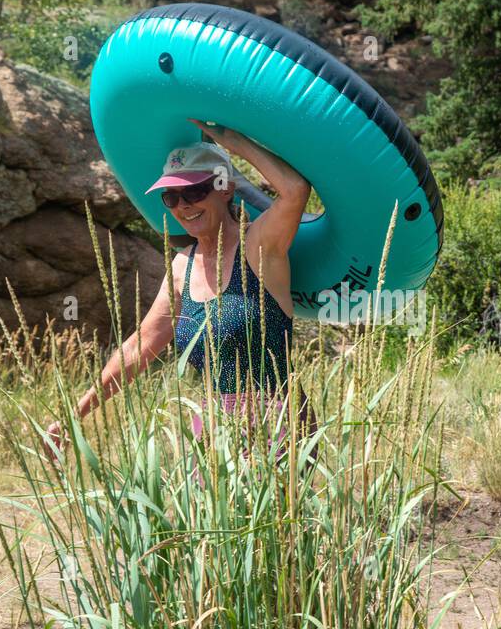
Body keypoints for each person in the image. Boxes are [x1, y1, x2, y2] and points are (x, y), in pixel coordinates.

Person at [45, 119, 311, 454]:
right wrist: (76, 414)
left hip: (276, 422)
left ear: (225, 187)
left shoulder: (259, 244)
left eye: (196, 191)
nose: (183, 205)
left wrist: (233, 141)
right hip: (213, 432)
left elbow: (295, 191)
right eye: (172, 196)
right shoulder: (182, 265)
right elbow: (138, 348)